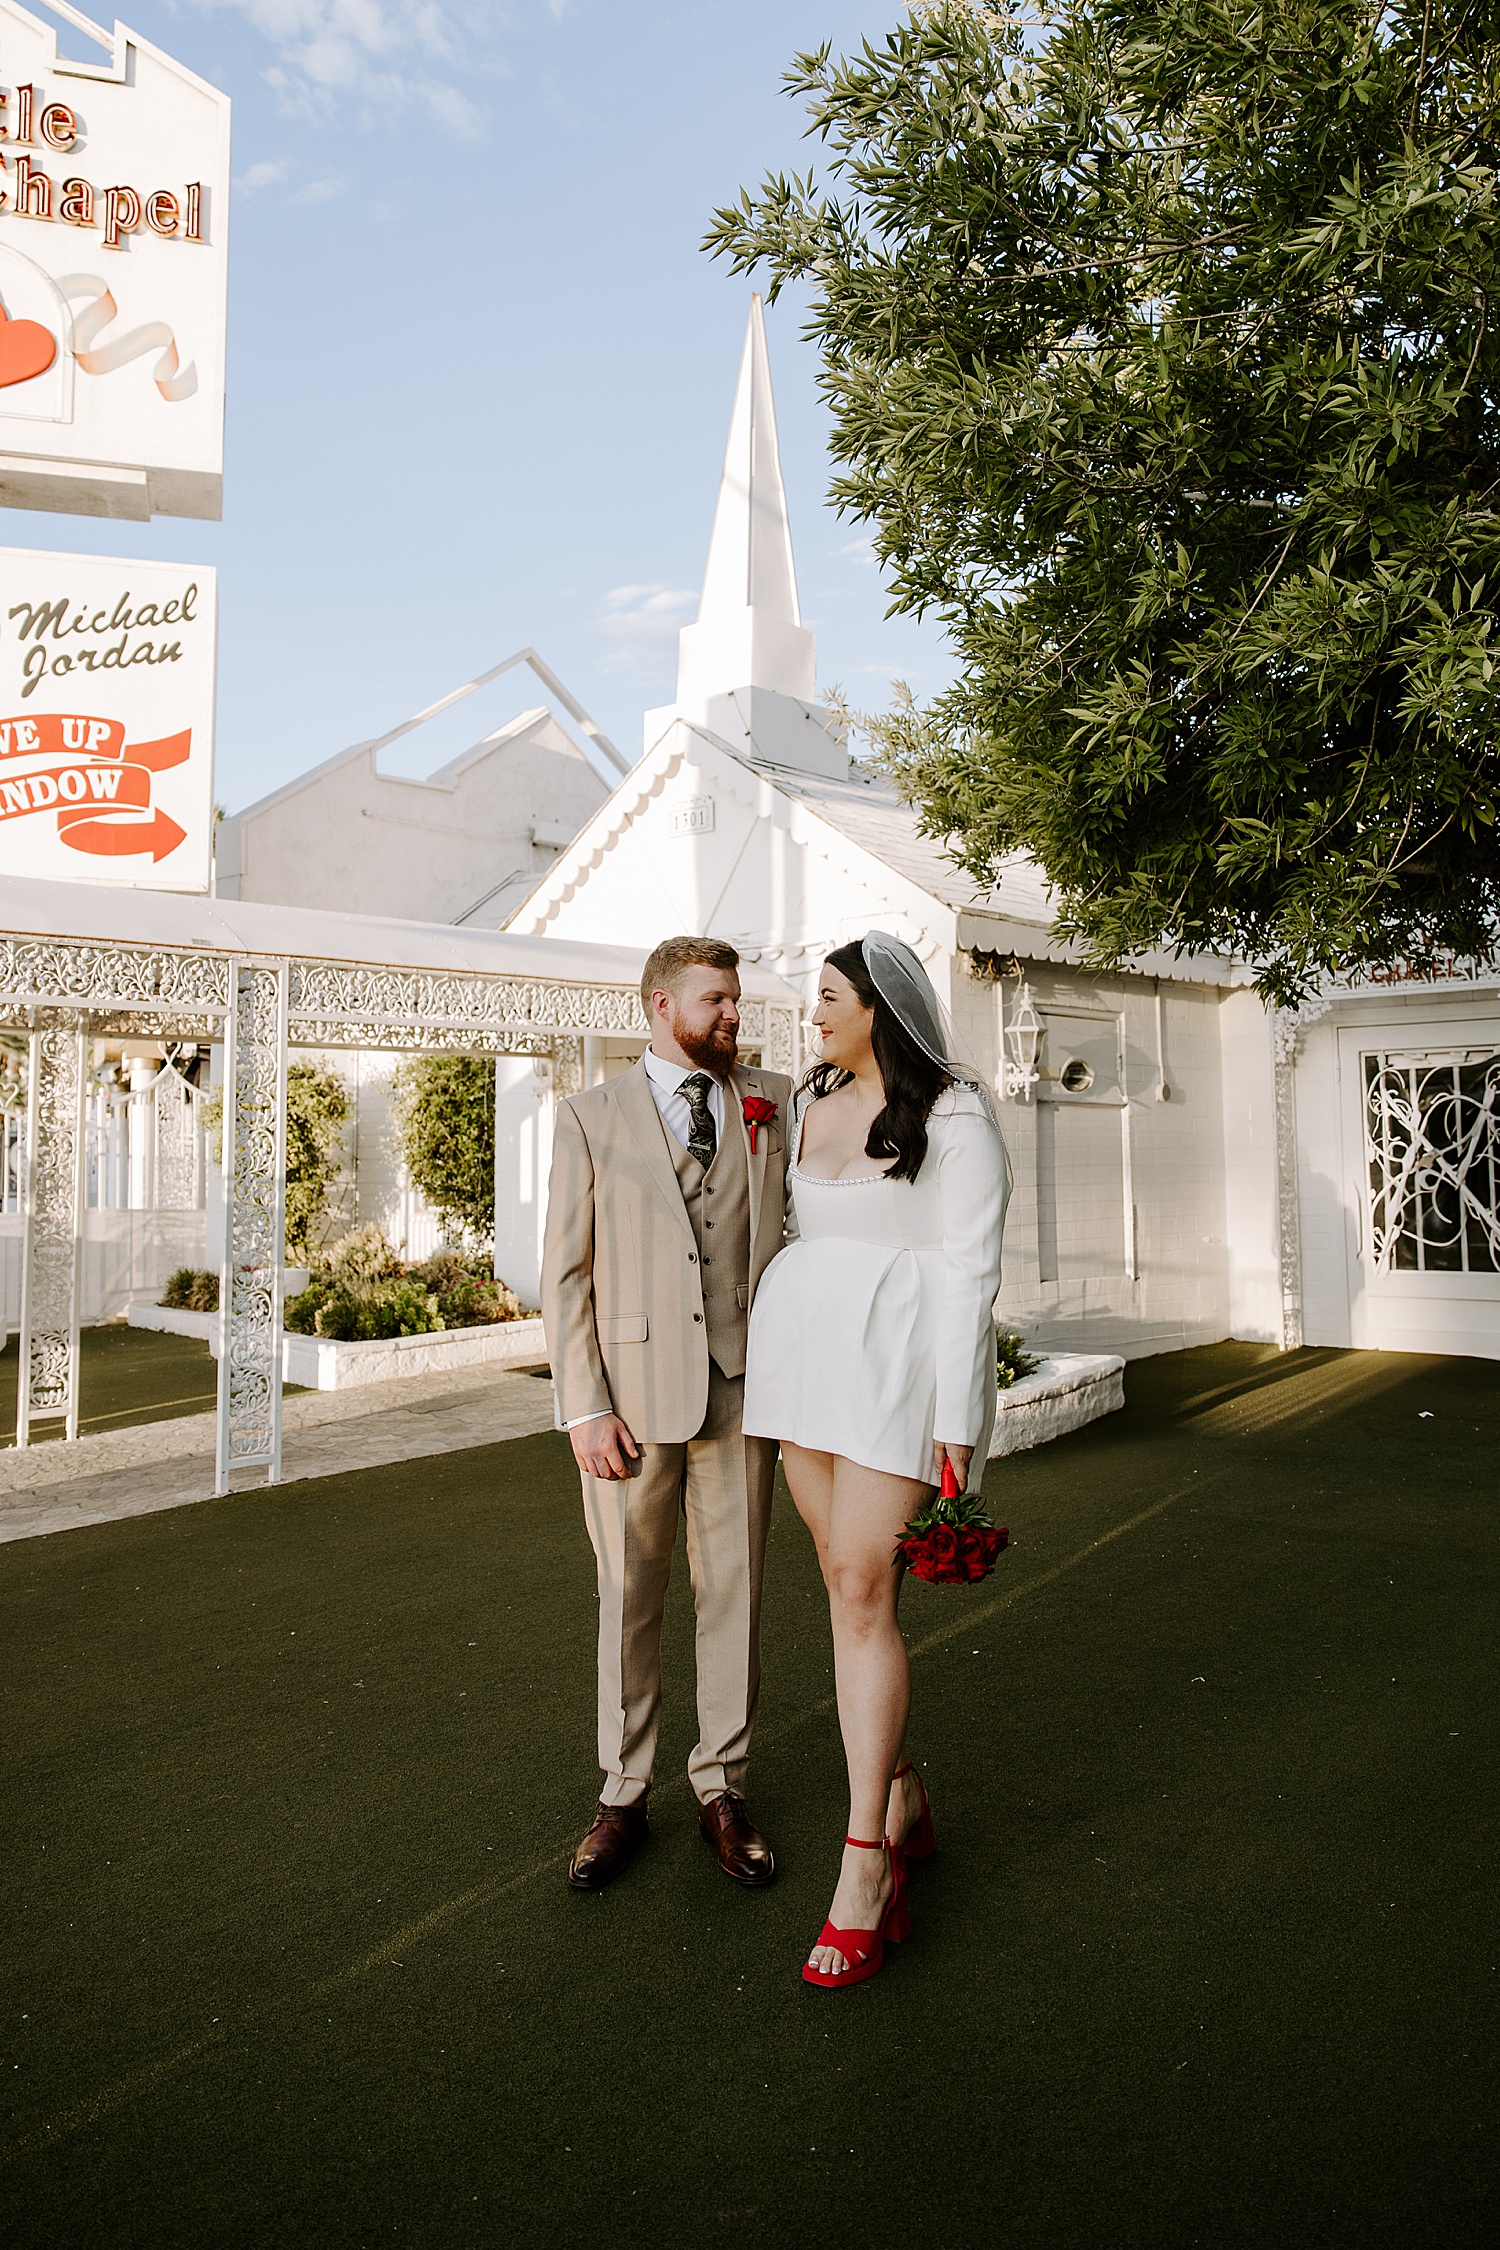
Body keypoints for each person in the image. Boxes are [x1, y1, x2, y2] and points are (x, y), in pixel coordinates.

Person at [742, 933, 1009, 1987]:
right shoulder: (810, 1102)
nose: (813, 1014)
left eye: (828, 998)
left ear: (879, 1011)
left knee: (863, 1586)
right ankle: (897, 1788)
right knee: (840, 1587)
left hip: (896, 1366)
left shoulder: (956, 1116)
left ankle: (866, 1864)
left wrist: (957, 1417)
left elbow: (970, 1273)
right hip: (803, 1363)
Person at [541, 935, 794, 1892]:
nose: (733, 1017)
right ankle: (622, 1792)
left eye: (736, 1002)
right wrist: (583, 1408)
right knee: (630, 1598)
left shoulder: (774, 1100)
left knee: (735, 1592)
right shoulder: (589, 1115)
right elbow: (564, 1275)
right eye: (715, 1002)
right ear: (660, 1005)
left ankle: (721, 1784)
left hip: (743, 1392)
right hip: (630, 1407)